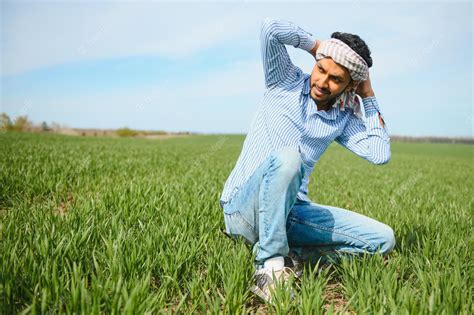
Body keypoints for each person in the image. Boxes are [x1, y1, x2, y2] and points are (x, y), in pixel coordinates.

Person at [219, 18, 395, 303]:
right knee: (290, 158)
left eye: (336, 79)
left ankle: (293, 257)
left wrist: (369, 96)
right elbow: (270, 28)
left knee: (383, 240)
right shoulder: (283, 80)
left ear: (350, 86)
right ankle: (270, 267)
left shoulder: (342, 118)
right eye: (321, 69)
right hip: (242, 212)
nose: (323, 82)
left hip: (291, 214)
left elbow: (380, 154)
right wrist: (316, 46)